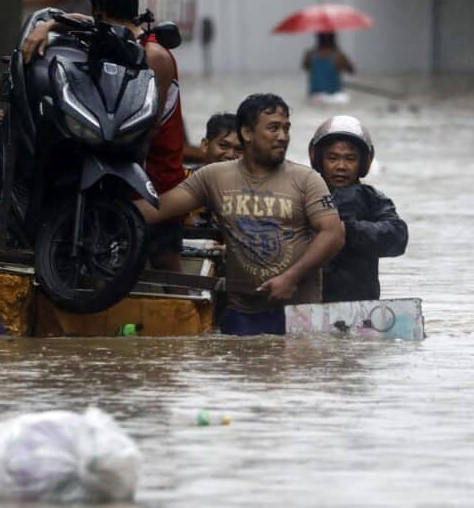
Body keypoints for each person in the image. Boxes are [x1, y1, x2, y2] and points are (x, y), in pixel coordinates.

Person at [135, 93, 345, 336]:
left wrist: (291, 278)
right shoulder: (213, 176)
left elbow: (333, 234)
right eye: (274, 128)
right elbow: (156, 209)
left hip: (299, 314)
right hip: (241, 313)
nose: (283, 137)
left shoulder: (307, 179)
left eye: (286, 129)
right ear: (247, 133)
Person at [21, 0, 187, 273]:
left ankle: (184, 314)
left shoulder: (153, 54)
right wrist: (49, 24)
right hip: (113, 159)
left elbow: (147, 132)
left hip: (154, 171)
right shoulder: (103, 38)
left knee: (164, 260)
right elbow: (79, 22)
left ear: (97, 7)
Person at [308, 115, 408, 302]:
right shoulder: (303, 194)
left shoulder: (373, 199)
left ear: (364, 162)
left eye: (350, 159)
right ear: (318, 159)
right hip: (310, 303)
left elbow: (398, 237)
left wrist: (348, 229)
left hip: (361, 305)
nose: (341, 167)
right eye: (332, 158)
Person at [188, 112, 242, 228]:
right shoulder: (182, 179)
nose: (231, 155)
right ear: (205, 145)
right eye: (223, 146)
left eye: (239, 149)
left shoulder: (252, 190)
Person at [302, 32, 354, 101]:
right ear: (333, 39)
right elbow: (351, 71)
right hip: (335, 95)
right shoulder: (339, 55)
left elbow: (305, 67)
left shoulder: (310, 54)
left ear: (318, 39)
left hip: (315, 94)